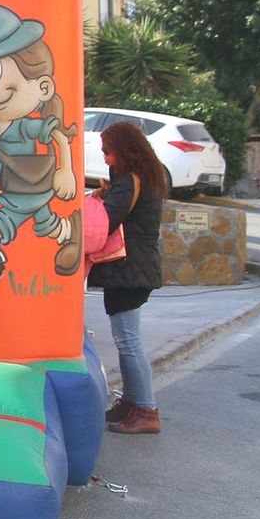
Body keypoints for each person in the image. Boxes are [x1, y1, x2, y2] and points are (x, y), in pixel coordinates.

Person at [89, 120, 166, 436]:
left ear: (124, 150)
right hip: (136, 268)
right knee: (126, 339)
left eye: (109, 151)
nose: (106, 158)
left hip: (128, 269)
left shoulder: (128, 181)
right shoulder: (146, 178)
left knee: (128, 340)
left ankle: (146, 409)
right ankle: (132, 402)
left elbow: (106, 221)